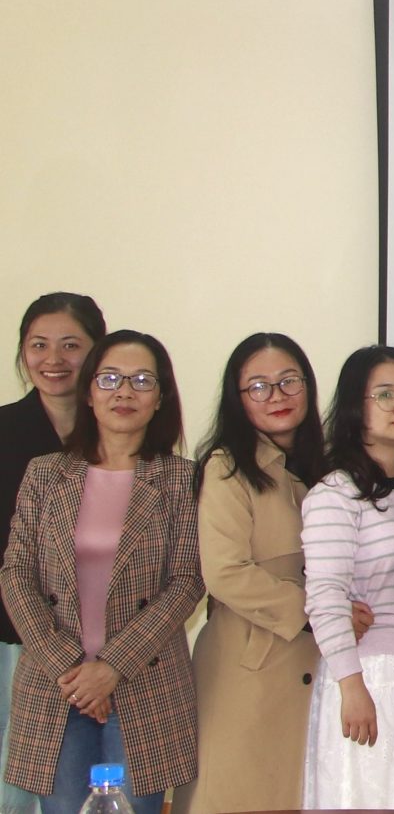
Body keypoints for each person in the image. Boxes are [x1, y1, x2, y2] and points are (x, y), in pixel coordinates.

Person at [0, 330, 200, 814]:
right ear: (89, 392)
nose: (124, 391)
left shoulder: (182, 478)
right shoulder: (46, 473)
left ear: (161, 398)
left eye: (141, 380)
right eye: (110, 378)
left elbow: (187, 581)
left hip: (144, 686)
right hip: (56, 686)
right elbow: (16, 572)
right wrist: (72, 670)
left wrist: (111, 667)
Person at [187, 333, 327, 814]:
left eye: (289, 381)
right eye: (259, 387)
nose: (277, 396)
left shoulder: (327, 466)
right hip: (249, 668)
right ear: (238, 398)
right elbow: (225, 573)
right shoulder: (227, 467)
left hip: (317, 668)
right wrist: (320, 612)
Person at [300, 346, 394, 809]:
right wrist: (351, 685)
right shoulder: (336, 493)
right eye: (385, 394)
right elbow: (325, 594)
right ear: (354, 406)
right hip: (372, 677)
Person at [0, 294, 104, 814]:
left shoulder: (120, 435)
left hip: (103, 652)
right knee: (13, 791)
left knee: (84, 792)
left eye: (70, 345)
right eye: (39, 345)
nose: (53, 359)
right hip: (12, 636)